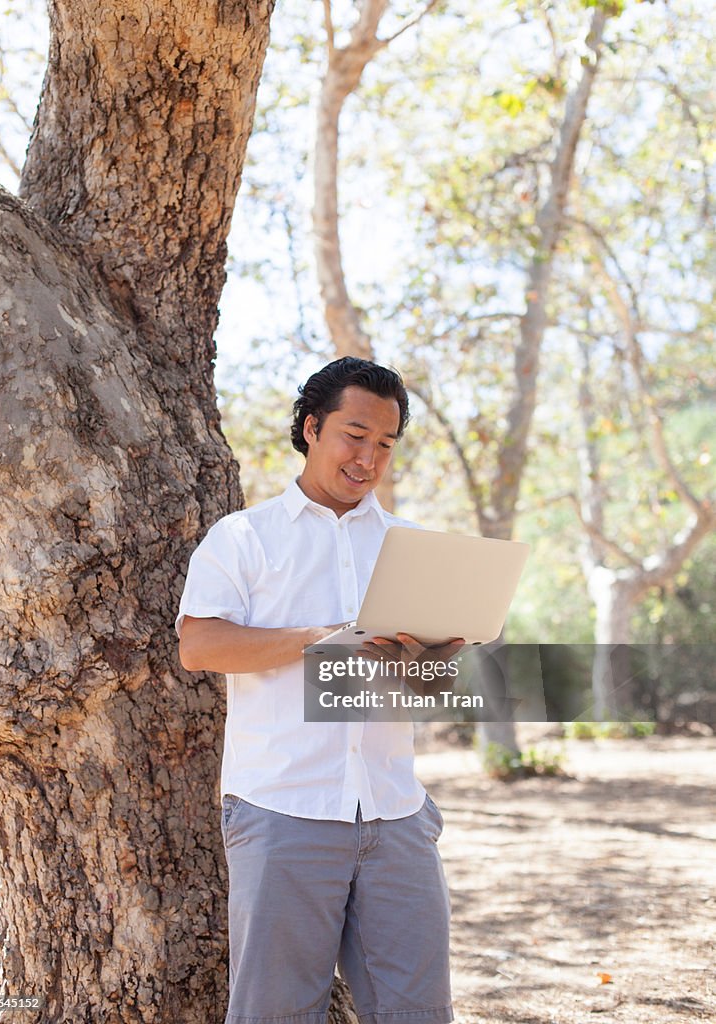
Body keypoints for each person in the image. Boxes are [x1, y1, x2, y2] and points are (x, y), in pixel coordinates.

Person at [176, 357, 459, 1024]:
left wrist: (433, 655)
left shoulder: (413, 548)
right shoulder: (244, 539)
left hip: (395, 817)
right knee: (274, 1013)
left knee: (418, 1013)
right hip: (282, 813)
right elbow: (200, 646)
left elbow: (430, 686)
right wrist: (320, 639)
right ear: (310, 428)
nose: (368, 458)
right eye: (353, 435)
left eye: (385, 444)